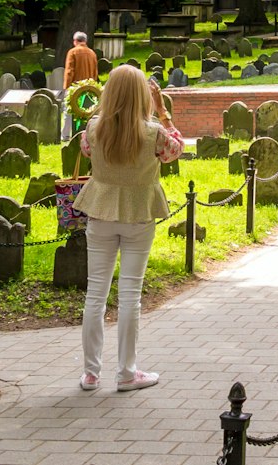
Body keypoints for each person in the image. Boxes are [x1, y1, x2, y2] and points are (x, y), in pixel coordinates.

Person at [76, 64, 183, 393]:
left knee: (95, 295)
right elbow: (176, 149)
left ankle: (91, 373)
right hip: (139, 214)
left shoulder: (93, 128)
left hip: (100, 212)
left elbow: (86, 150)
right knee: (130, 297)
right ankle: (126, 372)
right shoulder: (153, 132)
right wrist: (163, 113)